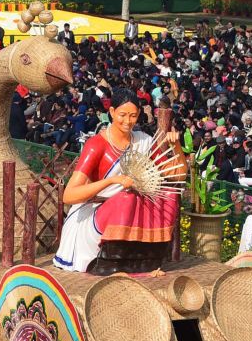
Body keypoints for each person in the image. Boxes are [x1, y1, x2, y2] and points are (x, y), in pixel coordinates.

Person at [54, 89, 183, 274]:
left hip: (132, 209)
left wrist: (176, 146)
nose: (127, 121)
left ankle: (148, 258)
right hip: (94, 213)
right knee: (126, 198)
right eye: (122, 115)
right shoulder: (96, 144)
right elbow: (69, 195)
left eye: (132, 116)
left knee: (168, 195)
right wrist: (112, 181)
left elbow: (176, 176)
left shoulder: (143, 141)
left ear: (138, 115)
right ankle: (110, 260)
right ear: (112, 112)